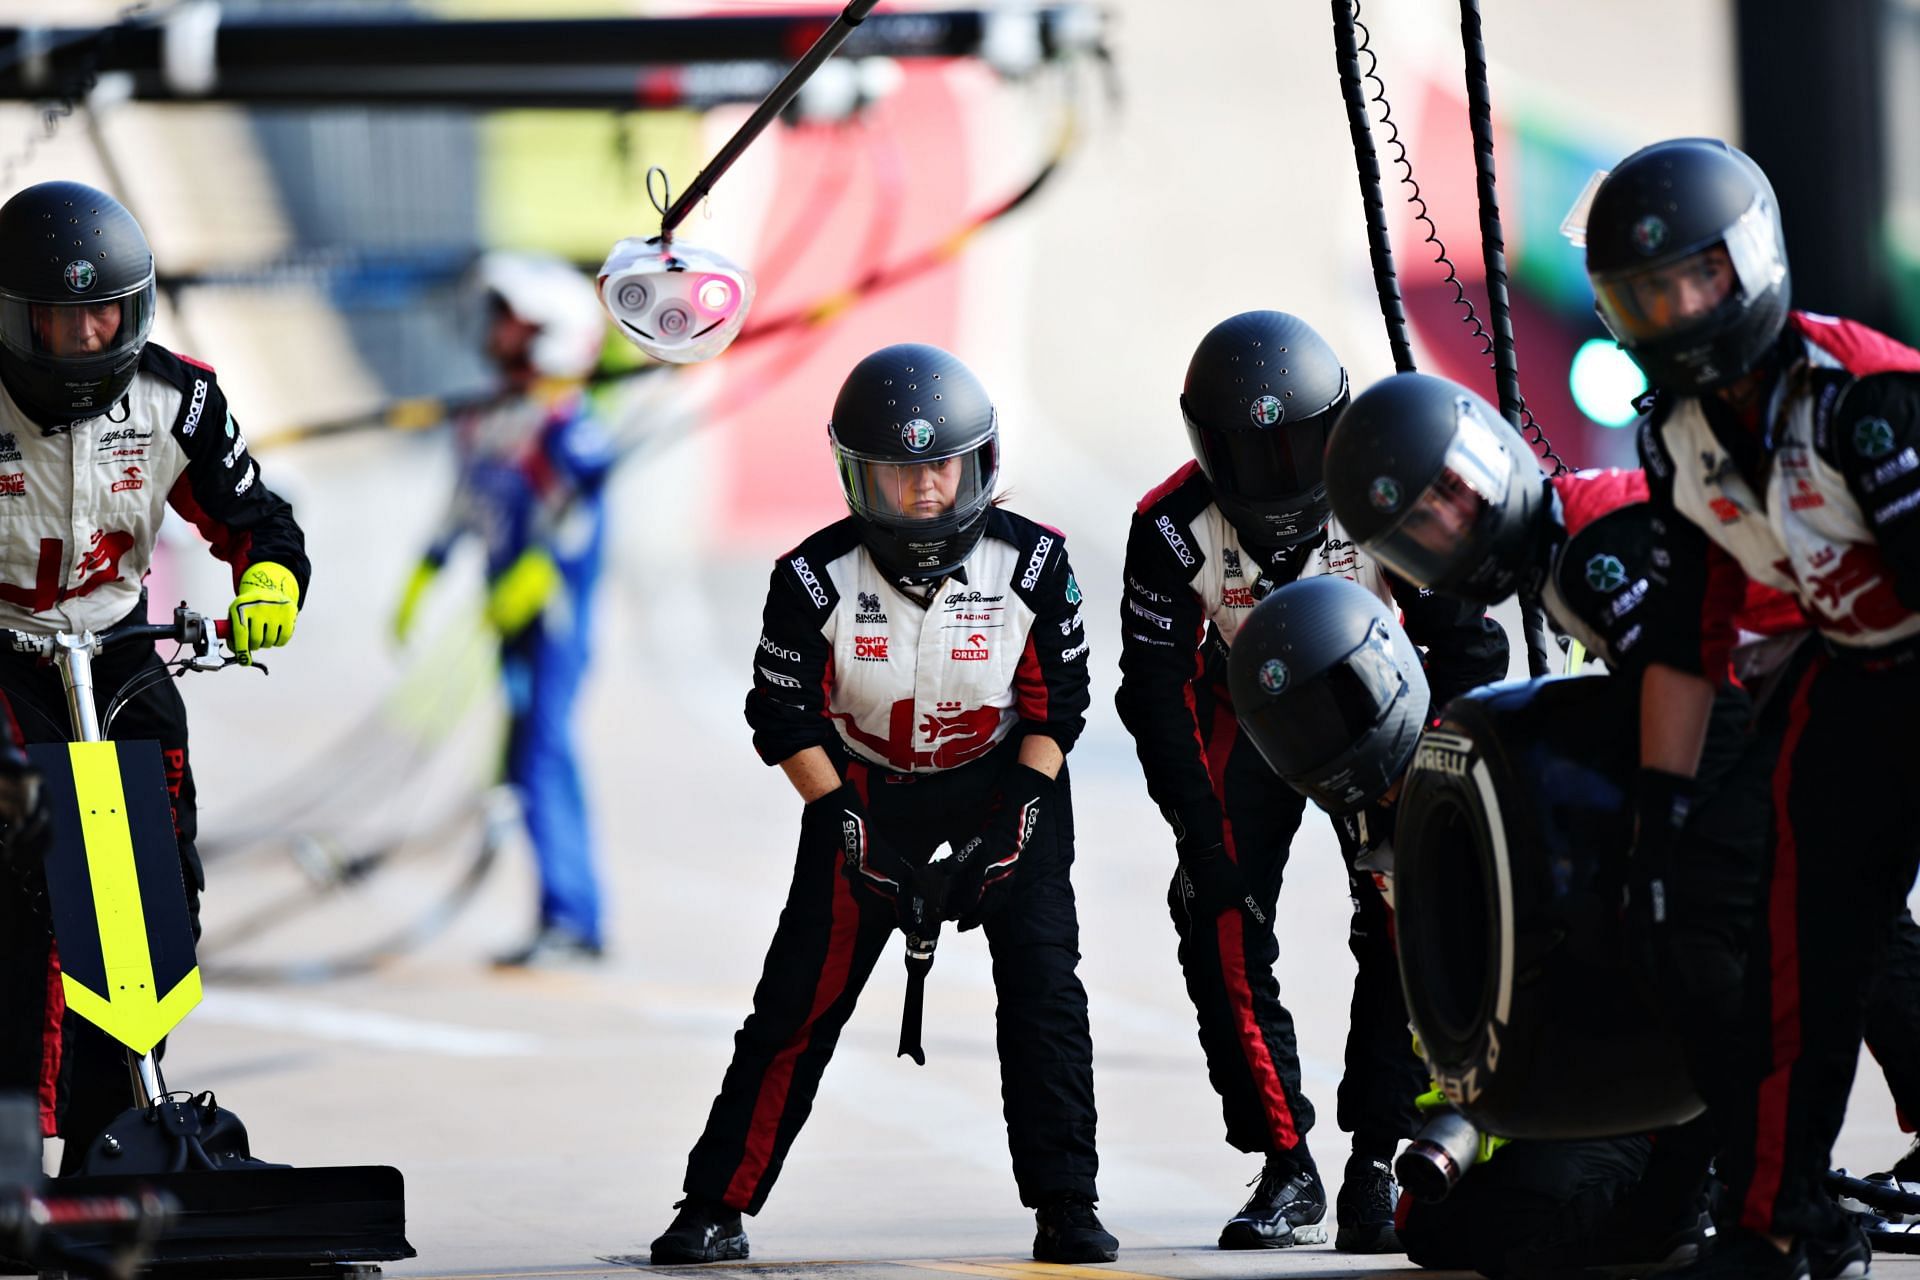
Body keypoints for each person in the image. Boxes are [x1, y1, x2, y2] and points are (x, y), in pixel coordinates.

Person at [647, 343, 1115, 1265]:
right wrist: (842, 820)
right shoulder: (810, 578)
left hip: (1006, 780)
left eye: (942, 466)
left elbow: (1059, 709)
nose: (928, 491)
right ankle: (714, 1205)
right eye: (901, 476)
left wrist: (1017, 815)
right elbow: (779, 715)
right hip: (858, 787)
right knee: (793, 1004)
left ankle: (1067, 1203)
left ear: (978, 462)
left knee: (1044, 994)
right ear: (859, 478)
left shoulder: (1037, 564)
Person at [1577, 135, 1920, 1278]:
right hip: (1848, 677)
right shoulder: (1674, 435)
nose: (1676, 311)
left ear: (1752, 259)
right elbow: (1689, 632)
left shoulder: (1870, 404)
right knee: (1799, 961)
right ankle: (1781, 1218)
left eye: (1695, 278)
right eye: (1647, 293)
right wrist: (1661, 825)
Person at [1113, 311, 1509, 1254]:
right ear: (1204, 449)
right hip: (1245, 725)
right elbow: (1154, 697)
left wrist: (1444, 781)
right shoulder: (1169, 531)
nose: (1277, 478)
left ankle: (1378, 1154)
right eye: (1249, 457)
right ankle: (1285, 1163)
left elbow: (1468, 645)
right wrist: (1198, 839)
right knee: (1216, 918)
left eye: (1296, 450)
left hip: (1388, 715)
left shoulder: (1392, 486)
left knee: (1412, 918)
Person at [0, 180, 309, 1164]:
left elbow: (263, 523)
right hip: (5, 653)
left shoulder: (182, 394)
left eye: (106, 311)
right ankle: (8, 1139)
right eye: (60, 316)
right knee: (22, 888)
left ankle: (113, 1139)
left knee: (153, 888)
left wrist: (269, 588)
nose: (89, 336)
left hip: (121, 651)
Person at [392, 252, 614, 967]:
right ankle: (567, 913)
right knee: (530, 760)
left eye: (511, 318)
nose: (495, 330)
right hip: (504, 619)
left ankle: (573, 920)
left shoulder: (570, 429)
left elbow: (577, 523)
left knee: (540, 758)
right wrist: (424, 573)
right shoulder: (490, 417)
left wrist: (543, 572)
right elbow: (463, 505)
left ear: (550, 331)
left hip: (552, 626)